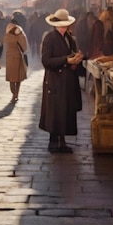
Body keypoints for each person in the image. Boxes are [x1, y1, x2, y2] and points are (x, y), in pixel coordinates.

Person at [39, 9, 84, 153]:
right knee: (55, 111)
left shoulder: (69, 38)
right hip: (56, 80)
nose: (65, 27)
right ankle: (54, 142)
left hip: (68, 80)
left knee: (65, 111)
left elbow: (71, 53)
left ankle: (62, 141)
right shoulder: (50, 38)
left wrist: (75, 60)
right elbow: (46, 61)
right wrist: (66, 60)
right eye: (62, 25)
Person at [3, 17, 28, 102]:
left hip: (9, 55)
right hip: (18, 55)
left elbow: (4, 42)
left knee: (11, 77)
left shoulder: (7, 32)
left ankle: (13, 94)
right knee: (18, 77)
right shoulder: (20, 32)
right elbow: (24, 46)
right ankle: (16, 94)